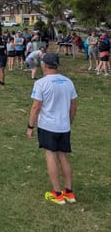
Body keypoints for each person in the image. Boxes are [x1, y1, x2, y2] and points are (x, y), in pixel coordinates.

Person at [27, 53, 78, 205]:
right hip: (64, 126)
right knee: (63, 156)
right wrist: (69, 121)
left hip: (48, 126)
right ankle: (69, 192)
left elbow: (36, 107)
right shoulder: (68, 82)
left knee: (50, 155)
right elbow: (74, 104)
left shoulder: (41, 83)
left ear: (44, 65)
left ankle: (57, 193)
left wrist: (30, 126)